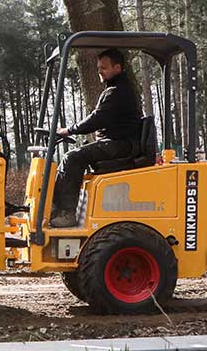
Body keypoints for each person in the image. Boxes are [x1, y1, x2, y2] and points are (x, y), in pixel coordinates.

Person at [50, 48, 143, 227]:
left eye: (104, 67)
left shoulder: (117, 91)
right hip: (118, 142)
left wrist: (69, 130)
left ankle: (66, 213)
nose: (99, 71)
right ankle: (57, 208)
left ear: (117, 68)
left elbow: (97, 119)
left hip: (121, 144)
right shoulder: (116, 89)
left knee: (73, 157)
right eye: (99, 67)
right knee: (75, 156)